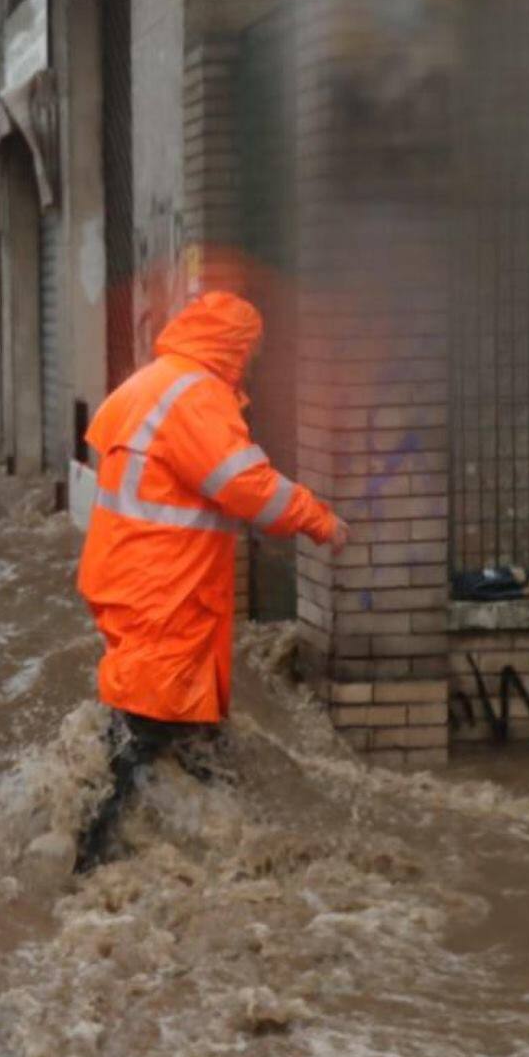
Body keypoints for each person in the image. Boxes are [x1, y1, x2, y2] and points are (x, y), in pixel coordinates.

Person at [73, 288, 348, 873]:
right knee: (147, 732)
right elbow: (248, 487)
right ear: (233, 346)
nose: (252, 362)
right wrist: (321, 521)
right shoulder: (198, 397)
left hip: (134, 582)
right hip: (166, 589)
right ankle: (96, 864)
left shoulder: (152, 382)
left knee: (169, 725)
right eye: (250, 350)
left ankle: (211, 850)